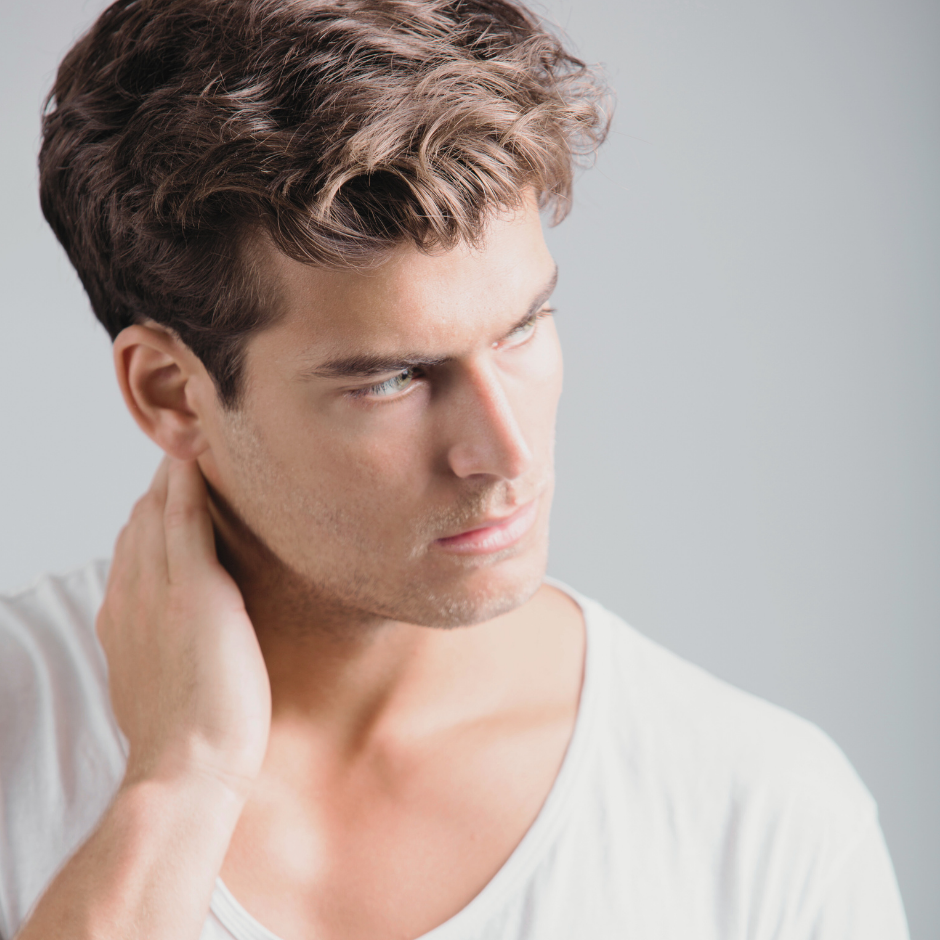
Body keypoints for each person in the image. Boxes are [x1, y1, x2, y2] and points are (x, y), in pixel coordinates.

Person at [0, 0, 910, 937]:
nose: (505, 452)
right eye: (392, 379)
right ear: (171, 395)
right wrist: (179, 783)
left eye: (523, 326)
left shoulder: (764, 824)